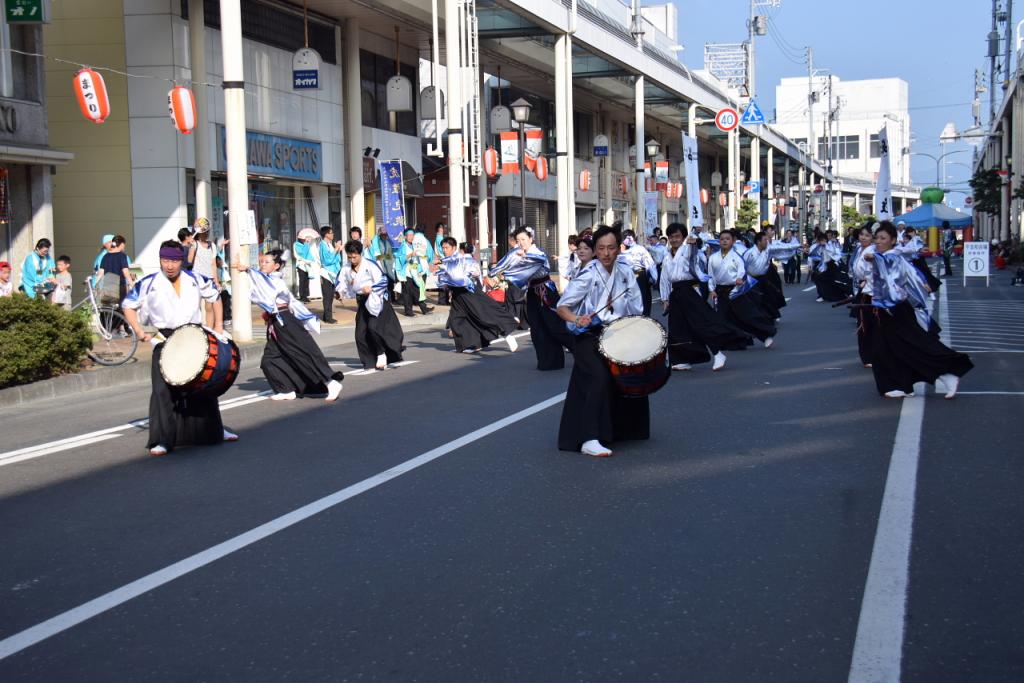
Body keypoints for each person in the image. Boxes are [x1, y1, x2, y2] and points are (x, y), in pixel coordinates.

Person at [122, 240, 238, 456]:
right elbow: (128, 305)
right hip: (164, 340)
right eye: (165, 260)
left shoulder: (194, 278)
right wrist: (138, 331)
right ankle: (164, 439)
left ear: (181, 260)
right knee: (162, 391)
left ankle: (215, 430)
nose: (169, 265)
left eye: (174, 260)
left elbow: (215, 296)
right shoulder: (148, 282)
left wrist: (219, 326)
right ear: (160, 260)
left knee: (203, 386)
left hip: (193, 337)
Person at [556, 226, 648, 457]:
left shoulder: (626, 272)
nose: (606, 253)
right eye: (601, 248)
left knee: (625, 377)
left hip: (618, 333)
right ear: (595, 250)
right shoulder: (587, 274)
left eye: (611, 248)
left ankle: (619, 430)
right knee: (599, 377)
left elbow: (636, 307)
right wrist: (578, 318)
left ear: (619, 249)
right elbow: (562, 307)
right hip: (590, 335)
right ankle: (589, 438)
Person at [864, 221, 973, 399]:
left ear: (893, 240)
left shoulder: (892, 257)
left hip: (896, 309)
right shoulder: (885, 256)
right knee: (887, 349)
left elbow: (893, 275)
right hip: (884, 309)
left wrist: (874, 258)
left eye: (883, 238)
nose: (878, 241)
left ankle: (947, 372)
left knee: (914, 345)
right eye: (876, 238)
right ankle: (903, 385)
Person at [235, 249, 343, 402]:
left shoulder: (275, 280)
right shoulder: (269, 278)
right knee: (270, 359)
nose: (263, 264)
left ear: (277, 266)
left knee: (302, 352)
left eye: (267, 262)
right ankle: (286, 389)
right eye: (262, 262)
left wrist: (247, 269)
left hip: (285, 321)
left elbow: (266, 288)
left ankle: (330, 382)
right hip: (277, 321)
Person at [660, 223, 752, 371]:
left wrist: (693, 243)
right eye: (671, 237)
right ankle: (682, 359)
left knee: (700, 324)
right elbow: (664, 278)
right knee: (677, 327)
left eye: (677, 236)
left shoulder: (687, 250)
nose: (674, 239)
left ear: (683, 237)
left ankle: (717, 353)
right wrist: (665, 298)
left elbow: (694, 254)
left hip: (689, 289)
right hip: (676, 292)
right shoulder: (666, 257)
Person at [487, 226, 569, 370]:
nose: (521, 243)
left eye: (523, 239)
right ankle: (547, 361)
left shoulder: (537, 254)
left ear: (531, 239)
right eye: (518, 240)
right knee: (537, 328)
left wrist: (514, 266)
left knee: (554, 325)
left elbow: (527, 269)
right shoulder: (518, 253)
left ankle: (579, 350)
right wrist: (494, 273)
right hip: (532, 292)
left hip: (545, 292)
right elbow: (505, 265)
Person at [434, 236, 519, 354]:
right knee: (456, 320)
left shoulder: (460, 259)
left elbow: (460, 275)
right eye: (443, 248)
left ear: (454, 248)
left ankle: (507, 334)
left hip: (468, 292)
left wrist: (444, 268)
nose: (444, 250)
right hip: (458, 295)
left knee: (483, 315)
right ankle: (473, 344)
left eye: (447, 247)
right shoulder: (447, 260)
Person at [340, 240, 405, 370]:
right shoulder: (346, 268)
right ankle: (369, 361)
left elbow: (383, 280)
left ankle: (381, 353)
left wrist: (371, 288)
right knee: (360, 333)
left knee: (373, 327)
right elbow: (341, 282)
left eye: (355, 257)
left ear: (360, 254)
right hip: (363, 301)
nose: (352, 260)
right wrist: (340, 292)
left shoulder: (370, 265)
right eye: (350, 257)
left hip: (376, 299)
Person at [709, 229, 776, 348]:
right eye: (722, 239)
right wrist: (712, 290)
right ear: (719, 241)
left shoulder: (737, 256)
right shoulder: (713, 258)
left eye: (727, 239)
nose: (724, 241)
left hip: (735, 290)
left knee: (747, 315)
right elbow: (710, 275)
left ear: (732, 241)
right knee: (724, 318)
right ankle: (735, 341)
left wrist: (740, 278)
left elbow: (742, 270)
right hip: (720, 291)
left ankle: (765, 335)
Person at [849, 223, 877, 368]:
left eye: (867, 235)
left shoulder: (873, 251)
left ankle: (872, 354)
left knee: (870, 325)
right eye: (861, 234)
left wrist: (867, 280)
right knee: (863, 324)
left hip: (872, 291)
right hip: (862, 288)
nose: (863, 237)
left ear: (873, 238)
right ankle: (867, 355)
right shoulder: (860, 249)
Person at [188, 222, 221, 327]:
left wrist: (216, 281)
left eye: (207, 231)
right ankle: (194, 328)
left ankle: (209, 330)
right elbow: (189, 260)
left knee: (209, 306)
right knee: (194, 306)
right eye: (204, 231)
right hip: (196, 279)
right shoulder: (195, 244)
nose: (206, 233)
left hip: (209, 279)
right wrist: (191, 247)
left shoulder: (212, 245)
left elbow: (213, 265)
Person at [619, 229, 658, 316]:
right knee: (642, 299)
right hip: (638, 276)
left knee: (630, 299)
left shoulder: (621, 250)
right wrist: (653, 278)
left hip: (629, 277)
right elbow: (649, 264)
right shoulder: (640, 249)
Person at [397, 227, 434, 316]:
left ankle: (424, 308)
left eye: (412, 235)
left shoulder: (415, 245)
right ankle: (408, 311)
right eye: (409, 235)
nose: (411, 237)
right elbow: (400, 258)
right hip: (407, 272)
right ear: (405, 237)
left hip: (415, 271)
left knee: (418, 290)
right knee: (407, 292)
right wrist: (410, 255)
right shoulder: (403, 245)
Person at [894, 226, 941, 296]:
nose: (909, 234)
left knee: (925, 274)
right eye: (908, 233)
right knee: (919, 275)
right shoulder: (909, 240)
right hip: (913, 260)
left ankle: (931, 287)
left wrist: (919, 250)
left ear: (913, 232)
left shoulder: (917, 239)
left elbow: (918, 247)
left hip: (919, 259)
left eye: (910, 232)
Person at [807, 233, 847, 302]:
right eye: (820, 240)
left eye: (824, 239)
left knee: (830, 281)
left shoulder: (830, 245)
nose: (822, 241)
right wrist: (810, 266)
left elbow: (835, 254)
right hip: (818, 265)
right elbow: (810, 257)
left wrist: (826, 246)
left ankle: (835, 295)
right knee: (818, 281)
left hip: (829, 264)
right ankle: (821, 295)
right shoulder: (814, 247)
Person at [96, 235, 134, 305]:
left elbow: (100, 273)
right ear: (121, 244)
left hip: (108, 287)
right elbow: (126, 273)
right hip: (119, 287)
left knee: (109, 309)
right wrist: (133, 285)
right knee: (119, 310)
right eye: (124, 245)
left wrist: (95, 286)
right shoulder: (122, 256)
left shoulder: (105, 256)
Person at [318, 226, 342, 324]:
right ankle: (328, 317)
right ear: (326, 234)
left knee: (330, 295)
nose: (333, 234)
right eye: (331, 233)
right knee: (327, 296)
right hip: (326, 274)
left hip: (332, 273)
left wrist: (338, 250)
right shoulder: (323, 245)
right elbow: (327, 260)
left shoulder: (329, 244)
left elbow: (336, 259)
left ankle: (326, 316)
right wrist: (336, 250)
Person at [367, 225, 399, 299]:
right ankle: (385, 299)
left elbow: (392, 252)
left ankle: (392, 298)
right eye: (382, 234)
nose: (384, 236)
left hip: (389, 266)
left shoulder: (388, 242)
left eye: (385, 234)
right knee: (383, 284)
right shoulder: (376, 242)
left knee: (390, 283)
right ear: (379, 234)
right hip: (380, 266)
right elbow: (376, 256)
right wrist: (387, 256)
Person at [293, 234, 315, 302]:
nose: (304, 238)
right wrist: (306, 244)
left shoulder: (305, 244)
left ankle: (306, 296)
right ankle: (302, 296)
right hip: (301, 265)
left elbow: (308, 254)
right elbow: (302, 253)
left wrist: (307, 243)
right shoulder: (296, 244)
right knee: (302, 281)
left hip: (307, 265)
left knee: (307, 281)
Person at [433, 223, 450, 305]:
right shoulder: (440, 238)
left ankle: (443, 299)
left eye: (442, 228)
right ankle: (443, 300)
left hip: (441, 260)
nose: (442, 230)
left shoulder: (438, 238)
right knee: (444, 280)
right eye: (441, 228)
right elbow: (442, 250)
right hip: (443, 261)